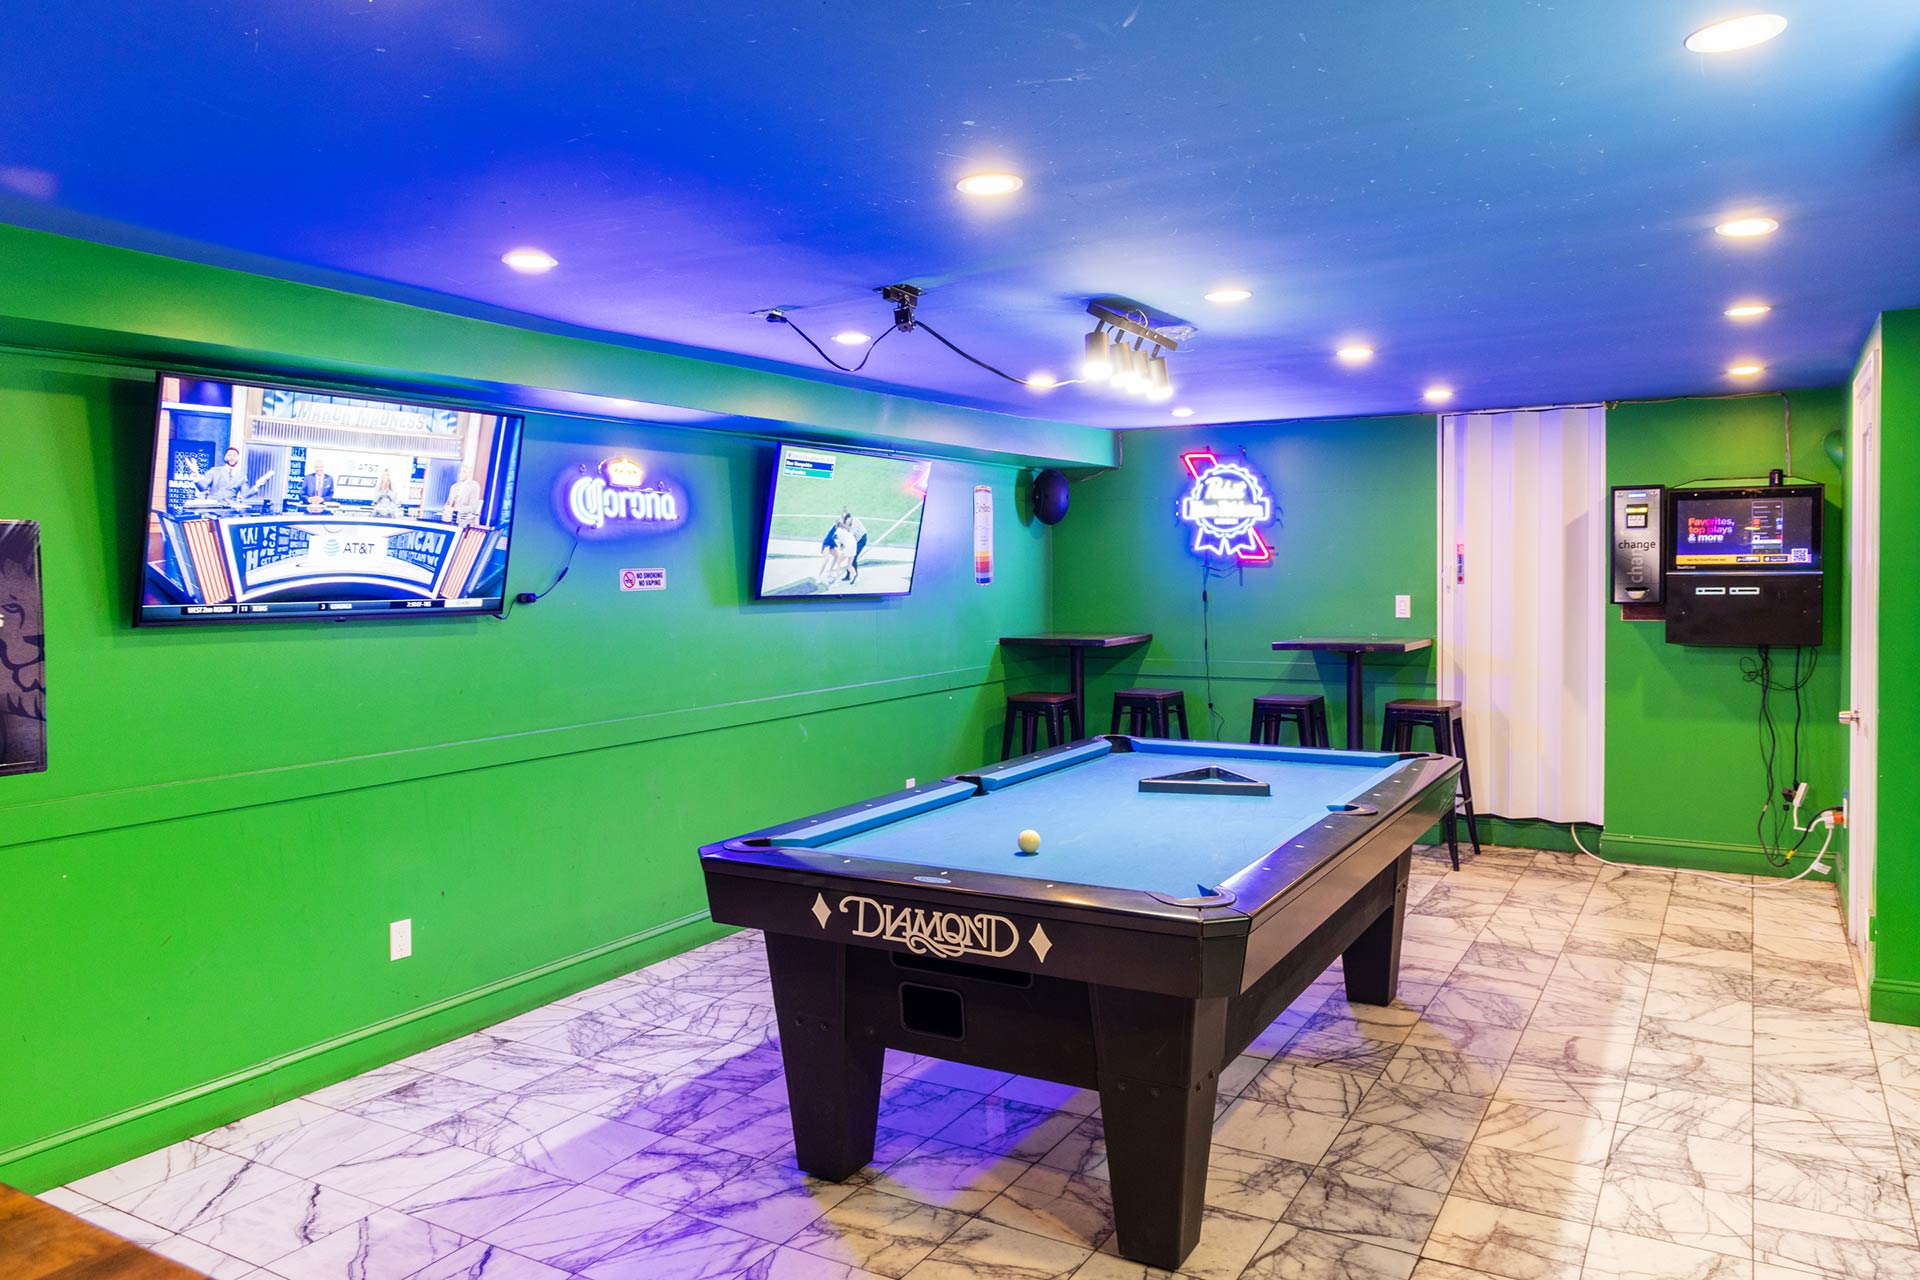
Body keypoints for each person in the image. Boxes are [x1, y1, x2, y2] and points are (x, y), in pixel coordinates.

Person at [837, 509, 869, 583]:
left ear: (849, 518)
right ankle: (848, 576)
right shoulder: (849, 523)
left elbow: (850, 535)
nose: (845, 522)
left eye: (846, 520)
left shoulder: (855, 522)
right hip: (855, 541)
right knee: (850, 556)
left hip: (861, 540)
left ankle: (855, 576)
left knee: (853, 556)